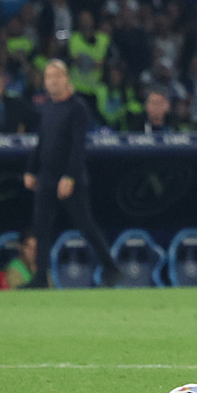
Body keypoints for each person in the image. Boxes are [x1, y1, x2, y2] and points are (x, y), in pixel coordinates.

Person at [23, 60, 120, 289]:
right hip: (46, 176)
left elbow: (78, 147)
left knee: (85, 224)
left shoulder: (77, 108)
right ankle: (40, 278)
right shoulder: (47, 108)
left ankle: (110, 267)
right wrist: (30, 169)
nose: (52, 81)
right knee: (41, 228)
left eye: (57, 76)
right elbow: (41, 142)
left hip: (69, 178)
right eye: (48, 77)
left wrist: (70, 176)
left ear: (66, 79)